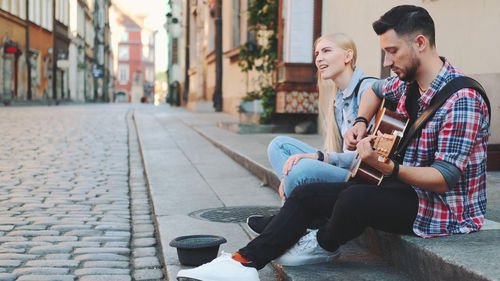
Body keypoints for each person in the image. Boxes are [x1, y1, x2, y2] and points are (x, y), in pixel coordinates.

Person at [176, 5, 490, 281]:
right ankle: (242, 263)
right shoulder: (407, 81)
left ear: (420, 43)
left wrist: (389, 167)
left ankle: (322, 243)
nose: (386, 59)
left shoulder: (461, 99)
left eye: (392, 51)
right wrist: (360, 122)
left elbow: (443, 179)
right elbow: (376, 91)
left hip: (443, 209)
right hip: (404, 188)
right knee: (306, 192)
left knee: (354, 200)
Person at [247, 32, 377, 234]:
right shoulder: (338, 97)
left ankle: (283, 224)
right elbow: (337, 148)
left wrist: (319, 157)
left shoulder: (368, 89)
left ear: (347, 56)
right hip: (344, 168)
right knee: (278, 145)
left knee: (301, 169)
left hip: (359, 177)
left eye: (326, 51)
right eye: (317, 53)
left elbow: (366, 157)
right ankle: (296, 217)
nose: (319, 58)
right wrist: (289, 178)